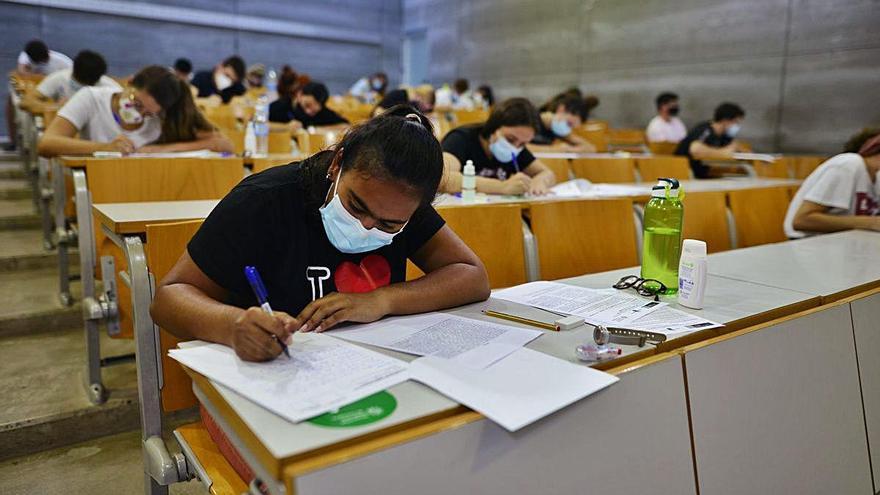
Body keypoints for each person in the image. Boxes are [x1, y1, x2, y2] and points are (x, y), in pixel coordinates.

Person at [150, 105, 490, 362]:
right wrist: (233, 325)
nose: (367, 226)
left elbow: (471, 276)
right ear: (336, 164)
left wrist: (381, 300)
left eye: (389, 225)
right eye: (355, 206)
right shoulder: (265, 199)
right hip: (270, 372)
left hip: (370, 367)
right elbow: (168, 298)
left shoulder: (401, 200)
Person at [38, 65, 233, 157]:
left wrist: (160, 149)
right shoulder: (91, 98)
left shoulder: (162, 117)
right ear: (129, 83)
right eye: (137, 103)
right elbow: (47, 144)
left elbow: (223, 144)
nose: (140, 114)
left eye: (149, 113)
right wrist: (104, 148)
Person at [441, 97, 556, 196]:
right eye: (510, 139)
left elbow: (547, 173)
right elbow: (444, 178)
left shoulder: (516, 149)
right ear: (493, 128)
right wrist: (502, 187)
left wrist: (540, 181)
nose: (515, 148)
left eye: (522, 144)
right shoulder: (460, 139)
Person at [784, 129, 880, 238]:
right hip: (808, 243)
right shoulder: (849, 164)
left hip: (843, 242)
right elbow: (801, 220)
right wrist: (871, 223)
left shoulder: (876, 176)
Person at [6, 40, 73, 151]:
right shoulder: (26, 57)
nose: (42, 63)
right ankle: (13, 141)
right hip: (38, 95)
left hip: (58, 96)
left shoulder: (64, 63)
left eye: (44, 61)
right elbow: (22, 72)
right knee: (12, 101)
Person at [675, 102, 746, 178]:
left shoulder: (725, 136)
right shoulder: (705, 129)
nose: (737, 126)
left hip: (704, 174)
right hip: (683, 173)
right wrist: (723, 153)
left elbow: (733, 148)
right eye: (736, 122)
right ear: (725, 120)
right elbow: (695, 149)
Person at [29, 50, 119, 104]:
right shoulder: (59, 78)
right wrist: (55, 107)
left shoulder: (110, 87)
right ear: (73, 71)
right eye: (79, 82)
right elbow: (26, 101)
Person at [268, 81, 348, 129]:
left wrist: (316, 129)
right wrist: (286, 127)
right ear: (299, 95)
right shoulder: (281, 106)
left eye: (314, 111)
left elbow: (346, 126)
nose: (308, 112)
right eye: (307, 105)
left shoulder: (323, 113)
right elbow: (261, 125)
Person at [530, 95, 595, 152]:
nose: (567, 129)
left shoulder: (557, 130)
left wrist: (567, 149)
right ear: (561, 109)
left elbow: (590, 148)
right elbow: (522, 148)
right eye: (568, 124)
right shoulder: (531, 120)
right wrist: (554, 150)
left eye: (570, 127)